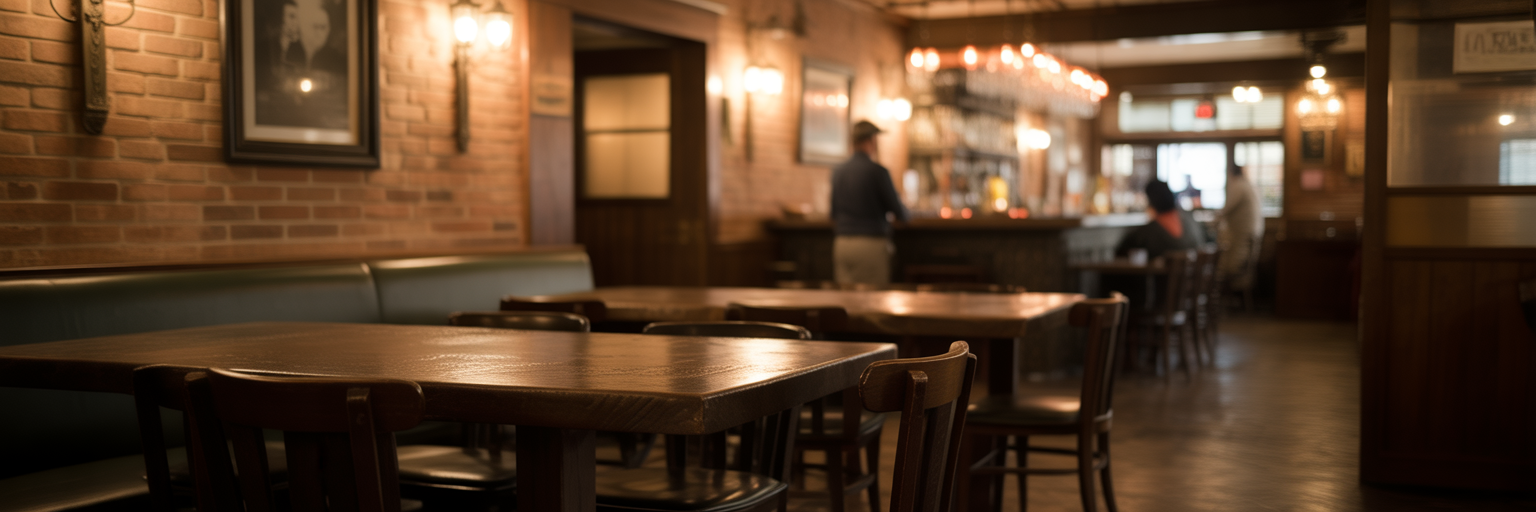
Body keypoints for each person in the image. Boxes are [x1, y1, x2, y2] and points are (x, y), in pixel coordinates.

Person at [830, 120, 908, 285]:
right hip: (870, 244)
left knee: (845, 300)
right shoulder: (877, 172)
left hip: (841, 244)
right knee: (872, 302)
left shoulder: (838, 172)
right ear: (872, 140)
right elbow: (900, 213)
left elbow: (833, 213)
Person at [1116, 179, 1206, 258]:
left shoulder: (1151, 230)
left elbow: (1121, 250)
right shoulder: (1190, 220)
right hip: (1194, 276)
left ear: (1151, 201)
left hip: (1165, 277)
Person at [1217, 163, 1263, 288]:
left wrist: (1212, 220)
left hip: (1242, 239)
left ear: (1231, 173)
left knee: (1219, 265)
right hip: (1249, 237)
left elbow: (1226, 210)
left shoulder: (1239, 186)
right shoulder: (1248, 185)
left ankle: (1215, 299)